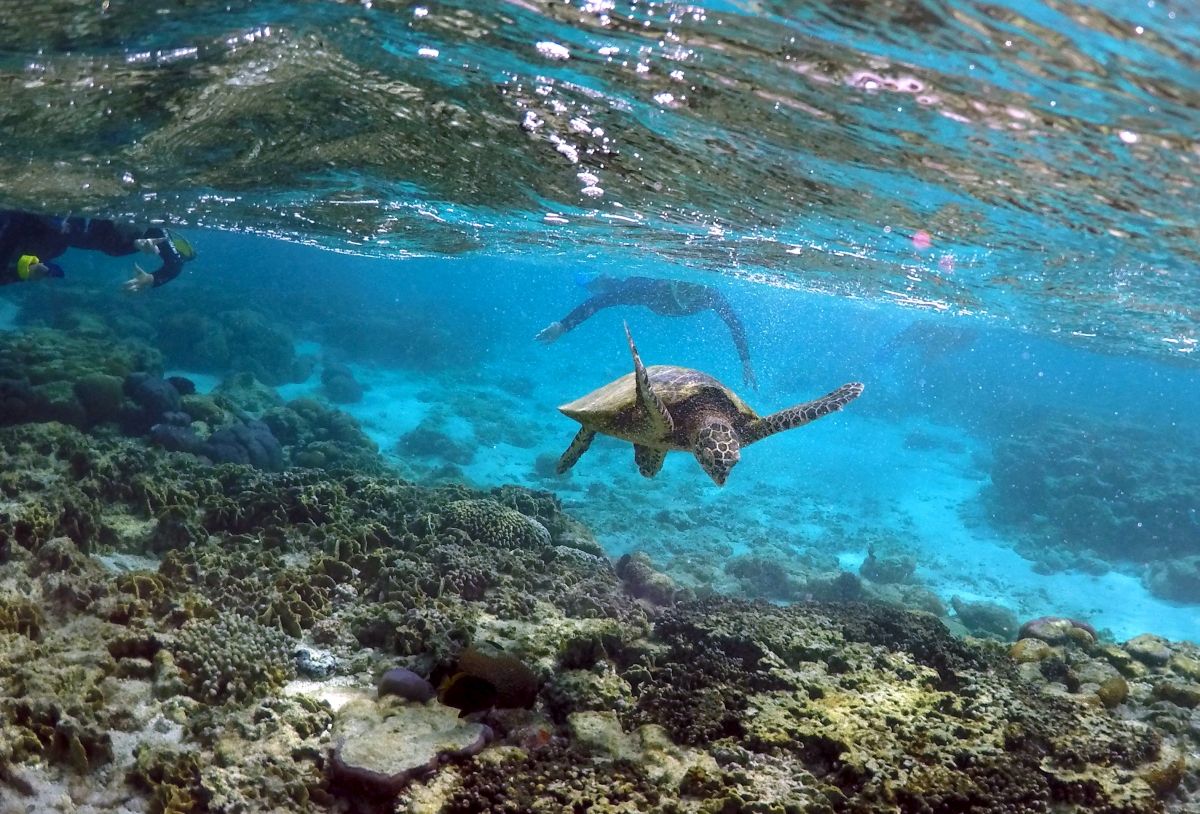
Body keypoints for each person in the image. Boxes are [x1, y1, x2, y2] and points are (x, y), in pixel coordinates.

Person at [536, 274, 758, 389]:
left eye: (697, 289)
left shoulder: (710, 295)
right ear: (673, 281)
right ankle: (594, 279)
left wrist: (745, 361)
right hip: (638, 284)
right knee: (611, 288)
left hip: (648, 294)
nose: (690, 293)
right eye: (685, 286)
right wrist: (564, 325)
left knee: (616, 289)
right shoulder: (651, 290)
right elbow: (602, 302)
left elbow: (734, 323)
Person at [0, 210, 195, 291]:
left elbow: (175, 264)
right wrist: (23, 272)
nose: (132, 225)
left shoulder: (154, 231)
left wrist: (151, 280)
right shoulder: (24, 229)